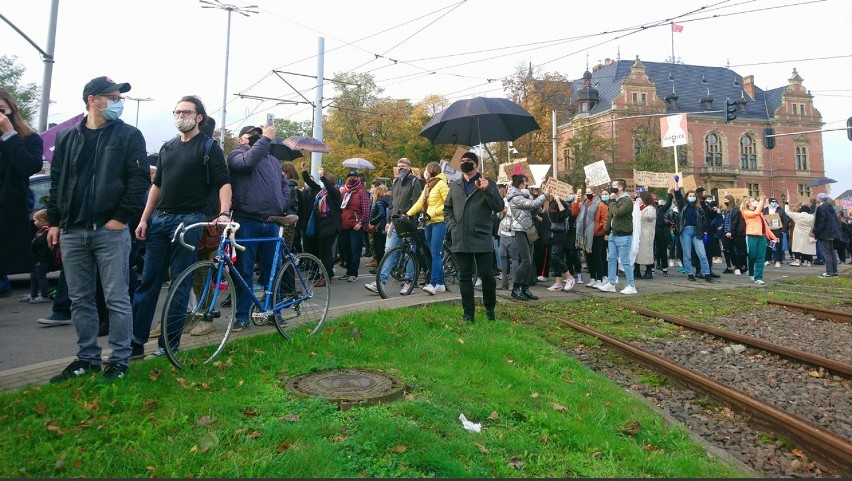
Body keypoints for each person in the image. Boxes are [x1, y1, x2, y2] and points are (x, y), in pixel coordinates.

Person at [46, 76, 149, 381]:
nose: (119, 103)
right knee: (80, 299)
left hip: (110, 230)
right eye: (113, 97)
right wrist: (54, 220)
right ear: (93, 99)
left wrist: (120, 218)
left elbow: (138, 179)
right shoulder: (67, 138)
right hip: (73, 229)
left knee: (116, 297)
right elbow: (57, 181)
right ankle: (87, 358)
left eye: (120, 98)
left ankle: (119, 359)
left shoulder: (129, 136)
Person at [130, 95, 231, 359]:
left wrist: (223, 213)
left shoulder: (209, 147)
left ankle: (168, 345)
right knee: (148, 281)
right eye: (177, 111)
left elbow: (224, 182)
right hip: (160, 221)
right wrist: (144, 218)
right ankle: (135, 343)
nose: (181, 116)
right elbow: (157, 185)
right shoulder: (167, 148)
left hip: (189, 220)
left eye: (187, 112)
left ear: (199, 117)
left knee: (180, 282)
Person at [227, 124, 290, 331]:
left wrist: (282, 202)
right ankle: (242, 315)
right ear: (241, 140)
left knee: (273, 269)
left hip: (271, 221)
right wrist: (265, 140)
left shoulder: (272, 161)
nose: (256, 139)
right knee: (244, 269)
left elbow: (283, 184)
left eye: (259, 136)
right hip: (248, 221)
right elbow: (247, 163)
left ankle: (275, 311)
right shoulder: (236, 155)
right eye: (251, 136)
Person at [443, 152, 503, 322]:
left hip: (481, 236)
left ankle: (490, 309)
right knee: (464, 276)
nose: (465, 163)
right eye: (462, 161)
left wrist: (488, 190)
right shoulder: (455, 185)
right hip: (460, 236)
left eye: (469, 161)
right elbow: (447, 209)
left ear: (476, 165)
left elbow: (498, 207)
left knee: (487, 275)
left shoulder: (487, 183)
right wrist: (452, 227)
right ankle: (468, 314)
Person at [0, 88, 44, 298]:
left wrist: (9, 134)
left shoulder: (29, 139)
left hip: (6, 214)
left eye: (1, 109)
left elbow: (28, 167)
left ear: (11, 110)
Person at [365, 158, 422, 294]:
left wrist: (409, 215)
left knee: (409, 253)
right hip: (395, 222)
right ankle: (381, 282)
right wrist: (389, 221)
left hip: (408, 223)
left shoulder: (414, 182)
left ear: (409, 167)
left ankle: (409, 282)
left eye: (403, 166)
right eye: (398, 166)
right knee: (389, 250)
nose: (400, 168)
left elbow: (417, 202)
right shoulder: (396, 182)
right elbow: (392, 204)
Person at [406, 162, 449, 295]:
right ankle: (441, 284)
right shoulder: (427, 186)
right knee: (432, 253)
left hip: (439, 222)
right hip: (429, 222)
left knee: (435, 253)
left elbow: (448, 203)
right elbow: (420, 202)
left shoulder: (442, 184)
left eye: (426, 170)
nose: (424, 173)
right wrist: (408, 214)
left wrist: (434, 212)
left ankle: (433, 283)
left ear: (431, 171)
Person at [506, 177, 547, 300]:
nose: (527, 185)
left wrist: (531, 197)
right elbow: (532, 204)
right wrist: (545, 195)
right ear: (520, 184)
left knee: (529, 260)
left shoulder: (525, 196)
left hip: (529, 229)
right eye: (525, 182)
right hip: (519, 230)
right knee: (526, 261)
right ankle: (516, 288)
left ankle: (525, 288)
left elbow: (535, 209)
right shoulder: (514, 197)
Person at [597, 179, 637, 294]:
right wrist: (606, 232)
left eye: (614, 185)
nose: (611, 187)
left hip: (624, 235)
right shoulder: (614, 200)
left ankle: (631, 285)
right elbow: (610, 217)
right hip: (613, 234)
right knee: (611, 259)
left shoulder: (627, 200)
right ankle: (611, 283)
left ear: (620, 187)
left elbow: (617, 213)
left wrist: (613, 201)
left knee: (625, 260)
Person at [673, 188, 712, 282]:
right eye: (690, 196)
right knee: (687, 254)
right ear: (686, 197)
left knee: (702, 254)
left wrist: (705, 231)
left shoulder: (698, 208)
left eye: (693, 196)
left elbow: (704, 220)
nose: (692, 197)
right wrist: (677, 188)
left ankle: (707, 274)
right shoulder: (683, 206)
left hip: (697, 231)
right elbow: (678, 198)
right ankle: (690, 274)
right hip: (686, 231)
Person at [338, 170, 371, 282]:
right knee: (345, 249)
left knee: (355, 250)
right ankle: (348, 271)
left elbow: (366, 210)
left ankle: (354, 273)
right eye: (350, 176)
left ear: (358, 178)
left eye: (354, 176)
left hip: (356, 225)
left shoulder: (362, 192)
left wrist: (361, 223)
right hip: (345, 224)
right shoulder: (345, 191)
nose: (351, 178)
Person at [576, 183, 608, 288]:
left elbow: (605, 220)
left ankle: (600, 278)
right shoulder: (584, 203)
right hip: (586, 235)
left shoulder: (601, 205)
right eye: (587, 192)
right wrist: (576, 200)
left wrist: (605, 232)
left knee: (597, 257)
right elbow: (574, 211)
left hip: (597, 235)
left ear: (595, 193)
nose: (588, 194)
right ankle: (593, 278)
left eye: (590, 192)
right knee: (589, 258)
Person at [21, 209, 56, 304]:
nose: (34, 222)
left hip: (41, 259)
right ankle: (33, 294)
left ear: (42, 221)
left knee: (40, 277)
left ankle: (44, 295)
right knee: (33, 276)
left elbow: (37, 243)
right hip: (37, 258)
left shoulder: (45, 232)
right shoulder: (41, 231)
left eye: (35, 220)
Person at [741, 195, 775, 285]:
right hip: (752, 236)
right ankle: (751, 271)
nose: (755, 202)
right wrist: (761, 201)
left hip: (762, 237)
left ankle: (758, 277)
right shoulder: (745, 212)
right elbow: (755, 213)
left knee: (761, 257)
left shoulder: (760, 213)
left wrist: (773, 237)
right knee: (752, 256)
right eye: (753, 201)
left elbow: (766, 227)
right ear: (748, 203)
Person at [545, 191, 574, 292]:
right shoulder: (551, 203)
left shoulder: (562, 203)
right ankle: (558, 283)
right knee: (553, 259)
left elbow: (565, 214)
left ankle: (569, 277)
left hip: (559, 234)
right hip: (552, 234)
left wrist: (559, 201)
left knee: (556, 256)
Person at [811, 192, 840, 278]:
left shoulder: (821, 208)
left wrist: (814, 231)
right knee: (831, 253)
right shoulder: (830, 207)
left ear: (818, 199)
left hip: (824, 233)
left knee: (827, 253)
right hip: (831, 233)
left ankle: (829, 272)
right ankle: (834, 271)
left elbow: (821, 222)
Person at [634, 191, 657, 279]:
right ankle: (637, 270)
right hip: (640, 233)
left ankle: (649, 271)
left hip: (647, 234)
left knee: (647, 253)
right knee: (638, 252)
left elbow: (649, 217)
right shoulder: (643, 208)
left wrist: (640, 209)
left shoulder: (650, 208)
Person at [368, 184, 391, 267]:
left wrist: (372, 221)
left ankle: (379, 267)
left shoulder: (379, 202)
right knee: (381, 247)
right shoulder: (385, 201)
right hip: (382, 226)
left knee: (379, 248)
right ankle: (380, 266)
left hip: (379, 227)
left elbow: (381, 214)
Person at [763, 197, 789, 268]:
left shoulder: (780, 209)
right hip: (768, 230)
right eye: (772, 202)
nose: (774, 203)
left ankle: (778, 260)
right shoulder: (765, 210)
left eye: (775, 201)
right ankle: (768, 259)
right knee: (768, 245)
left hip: (777, 230)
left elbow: (785, 220)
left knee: (778, 245)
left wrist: (783, 229)